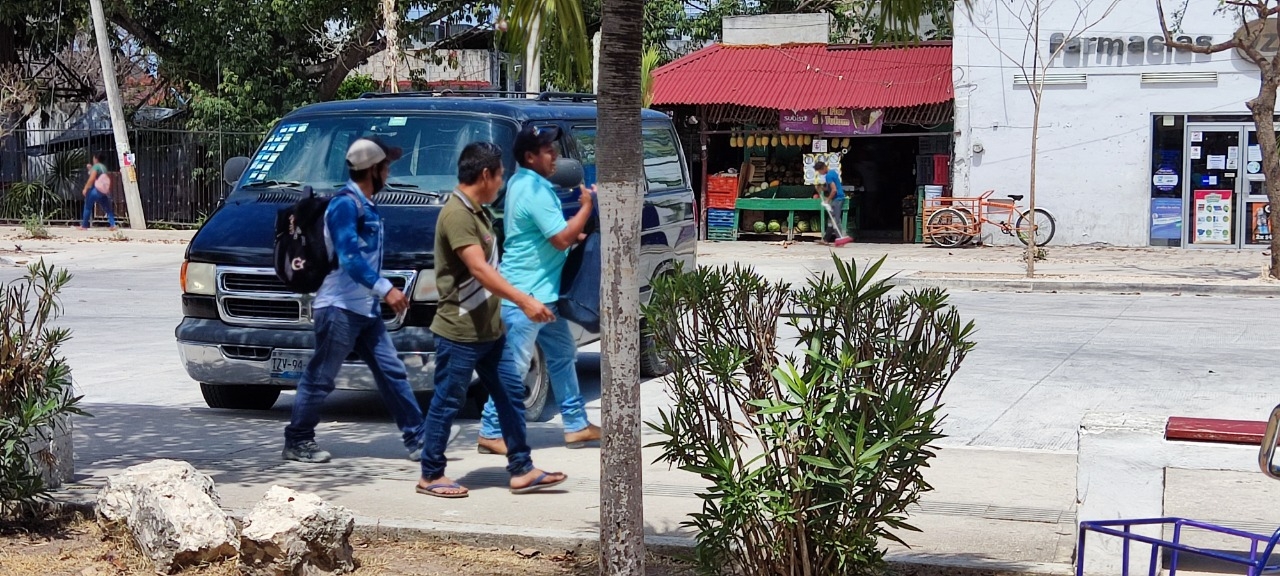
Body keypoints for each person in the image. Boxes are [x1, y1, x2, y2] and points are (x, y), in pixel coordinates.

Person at [418, 141, 566, 497]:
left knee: (510, 394)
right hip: (460, 331)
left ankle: (522, 469)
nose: (501, 184)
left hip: (489, 330)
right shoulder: (457, 215)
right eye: (499, 176)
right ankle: (431, 475)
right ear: (485, 175)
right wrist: (524, 300)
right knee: (447, 400)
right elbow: (479, 270)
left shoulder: (479, 211)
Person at [282, 138, 426, 464]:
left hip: (364, 309)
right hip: (338, 309)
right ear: (372, 169)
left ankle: (419, 438)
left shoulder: (366, 204)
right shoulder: (345, 205)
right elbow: (349, 257)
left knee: (392, 374)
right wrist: (386, 288)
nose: (389, 172)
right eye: (386, 166)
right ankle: (298, 440)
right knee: (320, 379)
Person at [476, 125, 600, 456]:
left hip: (543, 296)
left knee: (561, 354)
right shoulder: (535, 190)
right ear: (530, 157)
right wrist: (587, 207)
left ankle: (575, 424)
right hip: (526, 297)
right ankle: (490, 430)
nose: (555, 155)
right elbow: (559, 238)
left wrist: (576, 236)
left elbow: (549, 236)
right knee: (515, 367)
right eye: (548, 150)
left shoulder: (521, 183)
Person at [79, 153, 118, 231]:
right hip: (103, 191)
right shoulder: (104, 167)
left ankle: (84, 225)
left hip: (95, 190)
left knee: (87, 206)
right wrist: (90, 169)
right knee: (108, 208)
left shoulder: (96, 166)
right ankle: (113, 224)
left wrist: (86, 188)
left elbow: (92, 178)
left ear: (95, 159)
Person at [813, 161, 847, 243]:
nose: (819, 173)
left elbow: (834, 190)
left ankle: (841, 238)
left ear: (823, 168)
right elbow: (831, 188)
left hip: (837, 199)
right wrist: (821, 188)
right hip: (837, 198)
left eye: (819, 171)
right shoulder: (833, 172)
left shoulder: (828, 176)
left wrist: (827, 200)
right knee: (831, 219)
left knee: (835, 219)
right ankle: (825, 239)